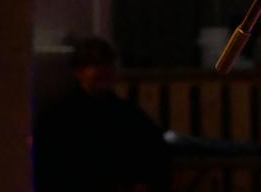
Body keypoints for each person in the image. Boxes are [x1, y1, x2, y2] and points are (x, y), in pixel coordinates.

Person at [32, 36, 171, 192]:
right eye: (96, 64)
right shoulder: (59, 119)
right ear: (78, 72)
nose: (104, 70)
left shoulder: (127, 113)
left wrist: (143, 182)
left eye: (108, 64)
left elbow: (155, 150)